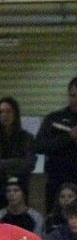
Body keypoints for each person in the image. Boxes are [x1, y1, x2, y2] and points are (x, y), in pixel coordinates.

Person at [0, 96, 37, 213]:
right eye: (1, 112)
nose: (4, 115)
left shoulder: (27, 138)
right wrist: (17, 162)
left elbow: (29, 164)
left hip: (19, 190)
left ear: (15, 114)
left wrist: (1, 164)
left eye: (8, 111)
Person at [36, 76, 77, 213]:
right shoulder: (54, 119)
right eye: (72, 95)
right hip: (57, 182)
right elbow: (39, 146)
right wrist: (69, 137)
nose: (75, 100)